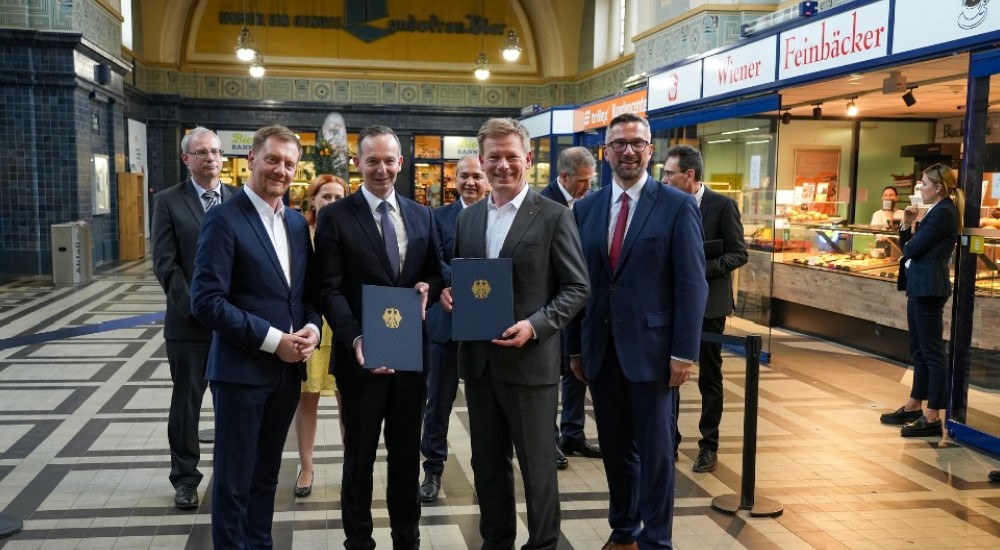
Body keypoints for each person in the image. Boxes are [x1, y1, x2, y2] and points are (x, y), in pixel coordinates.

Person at [440, 117, 589, 550]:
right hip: (481, 365)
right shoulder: (468, 221)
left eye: (511, 156)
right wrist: (451, 294)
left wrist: (535, 325)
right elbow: (466, 279)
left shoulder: (553, 216)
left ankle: (543, 543)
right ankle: (496, 540)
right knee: (487, 464)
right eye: (494, 158)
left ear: (527, 158)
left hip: (530, 364)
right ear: (481, 161)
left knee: (537, 468)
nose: (502, 165)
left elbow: (578, 287)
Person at [566, 113, 707, 550]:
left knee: (658, 455)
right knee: (614, 449)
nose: (628, 150)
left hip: (655, 354)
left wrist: (684, 352)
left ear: (650, 150)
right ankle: (623, 529)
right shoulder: (585, 208)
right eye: (619, 144)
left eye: (637, 143)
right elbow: (577, 284)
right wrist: (575, 349)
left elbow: (691, 283)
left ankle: (657, 539)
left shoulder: (677, 205)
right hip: (601, 352)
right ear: (605, 152)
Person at [191, 124, 321, 548]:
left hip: (286, 376)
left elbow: (305, 295)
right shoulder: (223, 219)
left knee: (267, 474)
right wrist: (273, 340)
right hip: (241, 373)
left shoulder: (298, 224)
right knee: (234, 479)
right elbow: (207, 302)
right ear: (249, 160)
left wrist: (312, 329)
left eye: (289, 163)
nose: (280, 170)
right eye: (272, 160)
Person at [314, 125, 443, 549]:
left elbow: (434, 271)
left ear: (401, 164)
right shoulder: (335, 216)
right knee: (359, 459)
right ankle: (359, 541)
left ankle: (407, 539)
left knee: (406, 458)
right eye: (372, 160)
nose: (381, 168)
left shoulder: (421, 214)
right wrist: (354, 340)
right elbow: (328, 288)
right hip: (360, 361)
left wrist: (428, 284)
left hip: (408, 360)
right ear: (358, 163)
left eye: (389, 160)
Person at [151, 127, 235, 510]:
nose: (211, 158)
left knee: (234, 403)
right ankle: (185, 479)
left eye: (216, 151)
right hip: (190, 326)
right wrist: (202, 309)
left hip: (234, 326)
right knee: (187, 405)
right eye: (201, 152)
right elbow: (167, 267)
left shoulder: (236, 200)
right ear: (186, 159)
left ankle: (233, 475)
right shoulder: (169, 201)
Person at [662, 144, 747, 473]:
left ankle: (708, 446)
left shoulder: (722, 206)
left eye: (670, 173)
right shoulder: (666, 204)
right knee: (669, 374)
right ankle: (669, 441)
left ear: (690, 175)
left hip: (710, 305)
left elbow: (739, 253)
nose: (665, 179)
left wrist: (699, 267)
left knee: (709, 377)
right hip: (672, 302)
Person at [419, 155, 490, 503]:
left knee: (484, 405)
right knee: (438, 402)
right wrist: (451, 284)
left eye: (477, 176)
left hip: (485, 324)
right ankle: (432, 468)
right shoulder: (437, 217)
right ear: (454, 179)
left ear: (487, 178)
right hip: (444, 323)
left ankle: (485, 472)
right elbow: (435, 261)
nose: (471, 182)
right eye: (465, 176)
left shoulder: (498, 215)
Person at [880, 163, 963, 438]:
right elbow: (911, 249)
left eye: (924, 184)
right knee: (918, 349)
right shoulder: (935, 211)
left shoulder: (944, 213)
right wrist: (907, 224)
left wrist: (907, 227)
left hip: (930, 288)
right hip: (920, 286)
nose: (920, 189)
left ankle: (932, 415)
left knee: (932, 352)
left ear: (938, 187)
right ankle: (915, 403)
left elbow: (911, 249)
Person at [539, 146, 602, 468]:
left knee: (578, 369)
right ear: (564, 177)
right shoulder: (542, 204)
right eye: (582, 181)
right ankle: (547, 440)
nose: (588, 187)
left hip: (581, 302)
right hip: (551, 305)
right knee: (552, 373)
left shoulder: (590, 204)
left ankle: (573, 433)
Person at [293, 174, 348, 498]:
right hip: (309, 325)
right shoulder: (301, 232)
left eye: (338, 197)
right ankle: (307, 467)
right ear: (312, 200)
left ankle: (350, 466)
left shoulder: (351, 229)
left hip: (342, 325)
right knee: (307, 398)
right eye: (325, 196)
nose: (331, 203)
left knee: (348, 401)